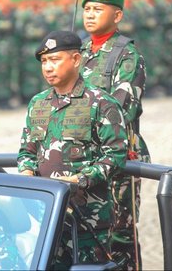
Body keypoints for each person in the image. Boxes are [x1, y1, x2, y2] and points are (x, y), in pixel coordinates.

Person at [17, 31, 128, 267]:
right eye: (44, 61)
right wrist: (26, 173)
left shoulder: (101, 103)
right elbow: (27, 151)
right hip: (46, 218)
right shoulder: (38, 103)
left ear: (76, 59)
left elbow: (115, 155)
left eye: (55, 60)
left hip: (87, 219)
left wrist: (80, 179)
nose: (48, 67)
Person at [80, 0, 151, 270]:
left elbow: (122, 109)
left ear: (117, 15)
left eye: (98, 9)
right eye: (86, 9)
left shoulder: (127, 55)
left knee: (119, 237)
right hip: (81, 156)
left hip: (117, 157)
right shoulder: (78, 51)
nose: (90, 15)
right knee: (83, 234)